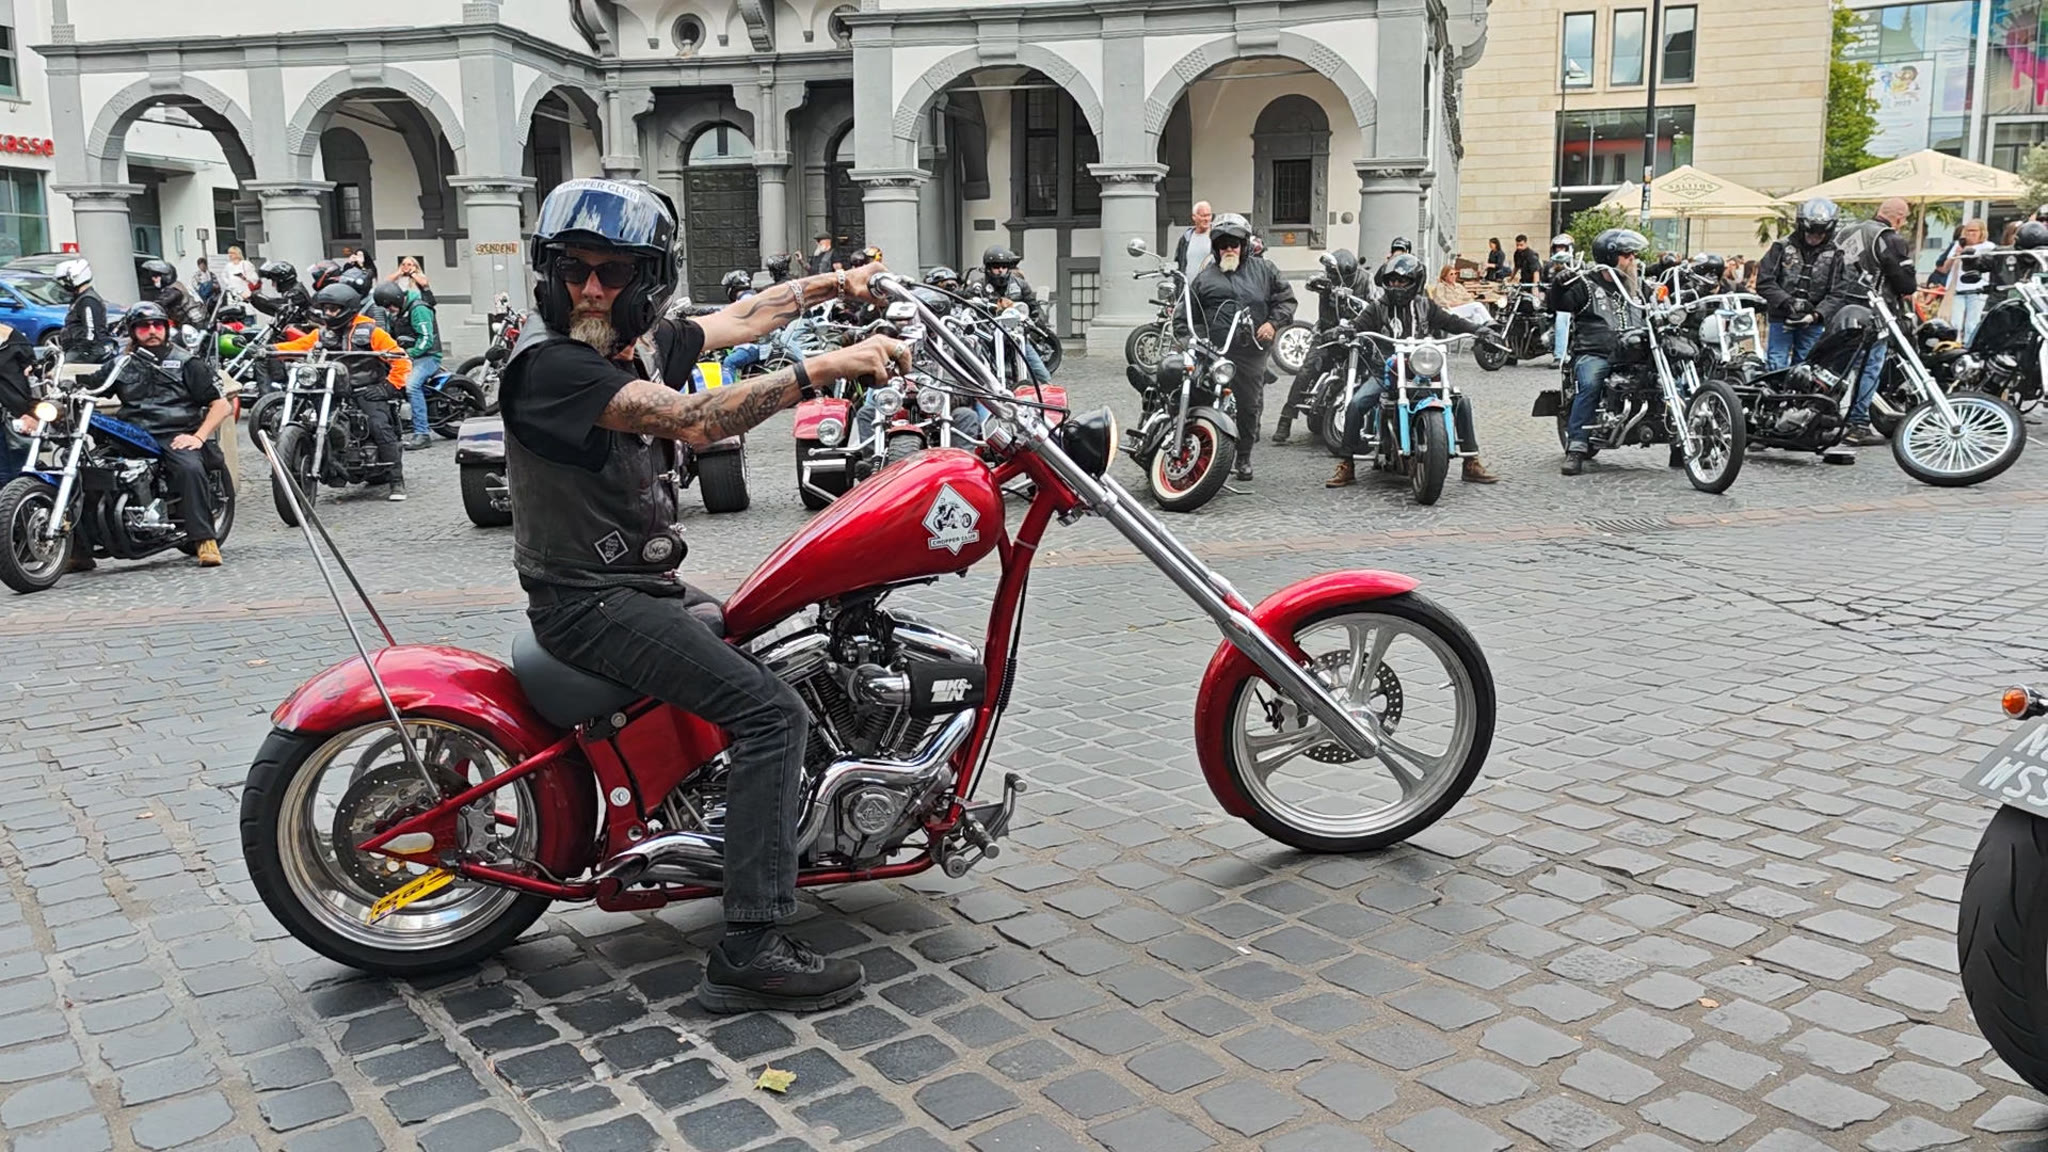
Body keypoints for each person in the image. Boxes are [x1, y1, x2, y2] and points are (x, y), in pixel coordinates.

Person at [501, 177, 906, 1013]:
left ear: (646, 280)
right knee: (773, 715)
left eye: (613, 272)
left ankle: (729, 817)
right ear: (548, 271)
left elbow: (746, 318)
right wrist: (823, 369)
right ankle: (752, 945)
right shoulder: (555, 365)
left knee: (765, 637)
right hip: (591, 601)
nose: (590, 288)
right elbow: (696, 420)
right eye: (574, 269)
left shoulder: (635, 341)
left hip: (633, 583)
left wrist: (842, 282)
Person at [53, 303, 230, 565]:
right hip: (132, 435)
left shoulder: (188, 363)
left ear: (166, 328)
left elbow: (221, 405)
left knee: (189, 469)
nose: (152, 331)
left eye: (157, 325)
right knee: (87, 470)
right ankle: (79, 551)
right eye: (144, 326)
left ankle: (205, 540)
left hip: (174, 433)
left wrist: (197, 437)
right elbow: (93, 386)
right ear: (133, 331)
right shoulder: (121, 364)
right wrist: (66, 385)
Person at [1326, 255, 1499, 488]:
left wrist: (1479, 330)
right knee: (1357, 403)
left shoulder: (1426, 306)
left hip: (1423, 371)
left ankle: (1471, 462)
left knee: (1461, 402)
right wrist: (1345, 330)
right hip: (1386, 371)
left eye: (1402, 281)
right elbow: (1358, 325)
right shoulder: (1377, 308)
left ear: (1415, 282)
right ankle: (1347, 464)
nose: (1396, 285)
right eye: (1392, 281)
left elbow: (1453, 322)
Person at [273, 283, 412, 499]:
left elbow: (401, 360)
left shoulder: (372, 332)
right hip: (332, 391)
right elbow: (298, 346)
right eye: (325, 309)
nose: (328, 313)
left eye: (333, 309)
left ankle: (396, 481)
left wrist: (388, 386)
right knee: (307, 418)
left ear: (348, 308)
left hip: (365, 390)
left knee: (379, 426)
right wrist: (270, 349)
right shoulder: (322, 334)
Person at [1187, 214, 1295, 481]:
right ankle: (1196, 452)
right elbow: (1187, 315)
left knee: (1248, 405)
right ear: (1215, 248)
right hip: (1213, 352)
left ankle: (1244, 456)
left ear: (1244, 245)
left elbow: (1286, 301)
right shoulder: (1203, 279)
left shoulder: (1265, 270)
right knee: (1195, 397)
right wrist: (1197, 340)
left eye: (1234, 244)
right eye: (1222, 244)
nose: (1229, 249)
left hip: (1250, 351)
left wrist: (1272, 323)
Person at [1552, 227, 1650, 476]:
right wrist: (1559, 286)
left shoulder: (1639, 286)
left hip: (1637, 352)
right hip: (1597, 352)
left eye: (1634, 255)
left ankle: (1682, 444)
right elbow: (1559, 304)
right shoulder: (1584, 284)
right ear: (1610, 257)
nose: (1633, 259)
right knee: (1590, 384)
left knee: (1671, 377)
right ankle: (1576, 447)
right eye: (1627, 255)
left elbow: (1657, 309)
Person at [1834, 196, 1917, 446]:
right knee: (1870, 366)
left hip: (1840, 308)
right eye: (1904, 219)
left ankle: (1826, 415)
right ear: (1899, 218)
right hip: (1874, 310)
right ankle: (1858, 423)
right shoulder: (1889, 238)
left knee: (1837, 365)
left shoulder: (1846, 232)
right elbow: (1906, 284)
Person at [1272, 248, 1372, 444]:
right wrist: (1319, 284)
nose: (1334, 278)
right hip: (1328, 332)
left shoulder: (1366, 280)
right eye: (1332, 275)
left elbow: (1375, 301)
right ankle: (1286, 418)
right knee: (1307, 369)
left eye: (1337, 276)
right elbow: (1312, 282)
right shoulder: (1327, 279)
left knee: (1373, 368)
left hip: (1357, 332)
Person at [1755, 197, 1847, 371]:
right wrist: (1787, 302)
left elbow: (1839, 292)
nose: (1814, 238)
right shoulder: (1781, 247)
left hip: (1814, 321)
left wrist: (1816, 314)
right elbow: (1764, 281)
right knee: (1776, 365)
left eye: (1820, 234)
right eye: (1810, 233)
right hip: (1782, 317)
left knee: (1807, 367)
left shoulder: (1836, 253)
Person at [372, 280, 443, 449]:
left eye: (389, 306)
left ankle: (422, 434)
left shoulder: (418, 309)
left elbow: (426, 339)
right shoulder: (396, 312)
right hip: (405, 355)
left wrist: (409, 354)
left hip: (427, 357)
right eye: (385, 307)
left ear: (396, 299)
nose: (388, 310)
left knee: (412, 386)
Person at [966, 245, 1052, 385]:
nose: (1000, 270)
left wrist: (1036, 321)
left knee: (1043, 376)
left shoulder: (1020, 285)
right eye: (996, 266)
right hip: (989, 338)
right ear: (988, 268)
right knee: (978, 374)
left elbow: (1034, 307)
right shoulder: (978, 287)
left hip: (1016, 336)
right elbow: (966, 304)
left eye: (1004, 266)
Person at [1942, 218, 1993, 343]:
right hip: (1958, 289)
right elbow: (1944, 268)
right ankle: (1955, 344)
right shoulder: (1958, 245)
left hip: (1977, 289)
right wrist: (1956, 254)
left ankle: (1969, 345)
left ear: (1981, 232)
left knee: (1972, 323)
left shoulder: (1988, 247)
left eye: (1974, 231)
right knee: (1955, 322)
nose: (1971, 234)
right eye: (1968, 231)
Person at [55, 259, 116, 363]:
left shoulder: (88, 300)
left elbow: (91, 331)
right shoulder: (81, 299)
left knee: (65, 369)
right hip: (81, 350)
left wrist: (83, 352)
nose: (64, 285)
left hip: (89, 352)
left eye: (65, 280)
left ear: (76, 277)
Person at [0, 319, 36, 478]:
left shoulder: (16, 342)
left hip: (16, 415)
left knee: (21, 470)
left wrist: (32, 414)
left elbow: (35, 384)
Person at [138, 259, 204, 330]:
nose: (153, 279)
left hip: (194, 325)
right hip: (189, 324)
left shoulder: (173, 290)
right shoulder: (176, 285)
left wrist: (140, 311)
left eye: (156, 276)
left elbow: (158, 304)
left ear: (165, 277)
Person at [1546, 234, 1575, 368]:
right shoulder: (1549, 266)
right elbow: (1541, 283)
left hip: (1567, 303)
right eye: (1558, 247)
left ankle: (1559, 356)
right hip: (1550, 301)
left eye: (1563, 247)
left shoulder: (1575, 265)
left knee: (1562, 318)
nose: (1560, 250)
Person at [1175, 202, 1215, 275]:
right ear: (1194, 217)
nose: (1206, 219)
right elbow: (1178, 263)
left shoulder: (1217, 237)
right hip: (1186, 282)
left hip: (1210, 281)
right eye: (1203, 216)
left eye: (1209, 215)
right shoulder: (1186, 238)